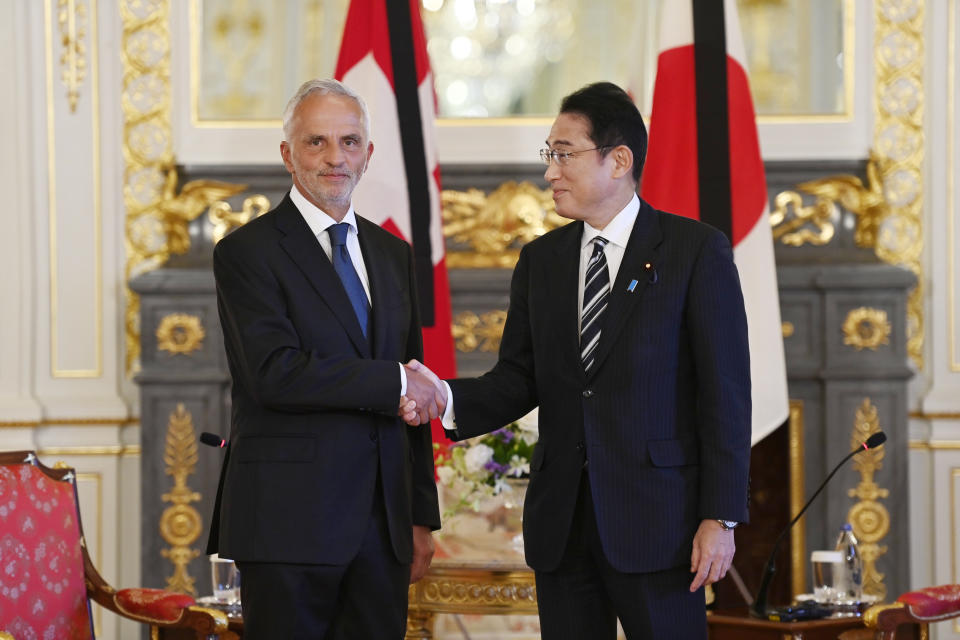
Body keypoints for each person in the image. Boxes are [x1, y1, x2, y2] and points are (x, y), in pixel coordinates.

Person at [409, 81, 751, 638]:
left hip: (661, 527)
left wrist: (721, 516)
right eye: (550, 155)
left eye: (563, 154)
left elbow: (726, 395)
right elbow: (518, 379)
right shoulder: (541, 262)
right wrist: (444, 397)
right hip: (562, 526)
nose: (550, 172)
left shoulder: (695, 251)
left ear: (619, 160)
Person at [208, 78, 445, 639]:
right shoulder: (246, 252)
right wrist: (393, 382)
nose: (334, 157)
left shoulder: (393, 254)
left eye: (349, 141)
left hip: (382, 528)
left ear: (369, 154)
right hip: (288, 525)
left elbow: (411, 390)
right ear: (288, 154)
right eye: (316, 142)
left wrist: (418, 515)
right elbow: (276, 374)